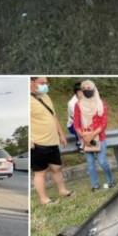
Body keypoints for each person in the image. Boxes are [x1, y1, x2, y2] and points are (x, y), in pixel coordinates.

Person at [30, 77, 73, 205]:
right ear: (31, 83)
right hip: (38, 143)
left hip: (53, 141)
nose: (45, 86)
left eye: (46, 83)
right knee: (41, 172)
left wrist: (61, 134)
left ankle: (62, 190)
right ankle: (44, 199)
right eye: (41, 83)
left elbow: (53, 116)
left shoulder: (45, 96)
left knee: (57, 168)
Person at [74, 80, 116, 191]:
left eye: (89, 88)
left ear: (94, 88)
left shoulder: (101, 103)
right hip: (85, 137)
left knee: (102, 161)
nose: (87, 90)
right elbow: (76, 123)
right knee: (90, 163)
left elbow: (104, 123)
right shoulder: (78, 105)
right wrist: (83, 135)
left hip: (99, 136)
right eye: (84, 88)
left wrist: (91, 135)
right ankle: (95, 185)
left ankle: (111, 180)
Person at [67, 82, 84, 147]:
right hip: (73, 125)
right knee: (80, 121)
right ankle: (81, 143)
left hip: (85, 124)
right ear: (76, 92)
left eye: (83, 91)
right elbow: (79, 117)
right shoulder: (72, 103)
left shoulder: (87, 99)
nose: (82, 93)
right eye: (80, 91)